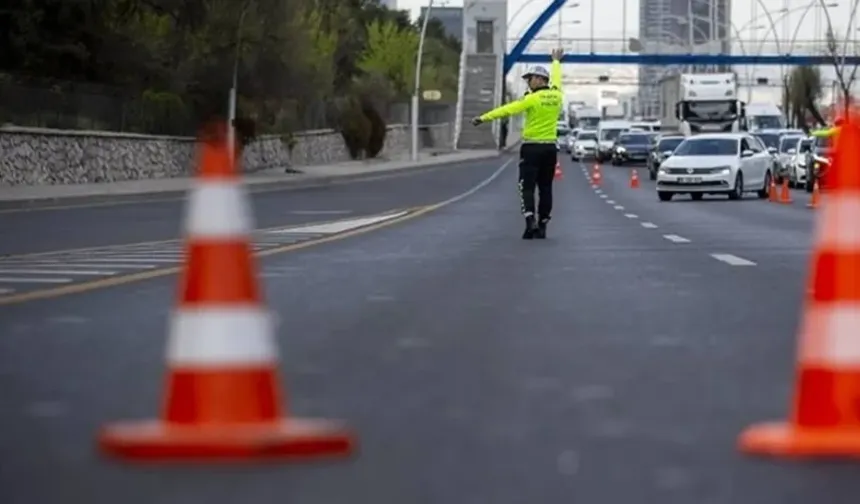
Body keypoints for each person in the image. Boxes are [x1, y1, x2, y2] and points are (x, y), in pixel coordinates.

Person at [471, 49, 564, 239]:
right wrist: (556, 62)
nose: (528, 82)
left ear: (539, 79)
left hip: (531, 148)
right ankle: (544, 224)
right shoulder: (557, 96)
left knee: (526, 186)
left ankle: (530, 221)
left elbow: (507, 110)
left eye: (530, 78)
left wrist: (483, 118)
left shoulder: (530, 99)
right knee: (546, 187)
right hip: (550, 149)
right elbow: (557, 80)